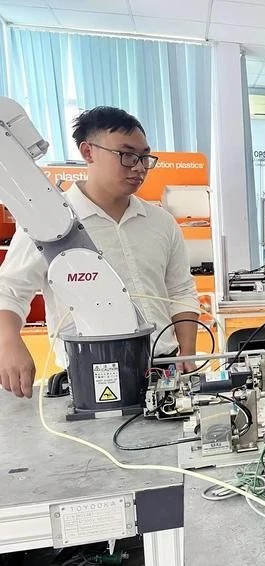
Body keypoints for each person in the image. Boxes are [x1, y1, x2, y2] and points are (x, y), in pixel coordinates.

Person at [0, 106, 200, 398]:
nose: (139, 167)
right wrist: (8, 342)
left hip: (163, 372)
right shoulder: (51, 222)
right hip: (90, 375)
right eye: (127, 155)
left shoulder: (161, 223)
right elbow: (9, 291)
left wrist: (187, 353)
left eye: (145, 157)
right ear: (88, 151)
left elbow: (180, 291)